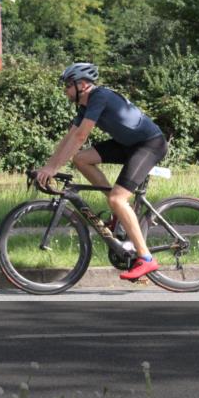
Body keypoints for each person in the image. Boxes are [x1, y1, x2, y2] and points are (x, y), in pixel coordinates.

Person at [35, 62, 168, 280]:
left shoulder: (99, 96)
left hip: (149, 145)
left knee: (118, 199)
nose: (65, 90)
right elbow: (69, 137)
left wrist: (53, 168)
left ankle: (146, 258)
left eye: (68, 85)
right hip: (128, 145)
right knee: (81, 159)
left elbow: (80, 137)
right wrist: (47, 166)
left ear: (83, 85)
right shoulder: (84, 106)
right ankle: (119, 213)